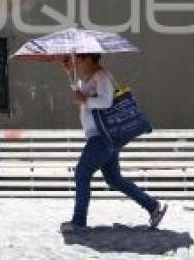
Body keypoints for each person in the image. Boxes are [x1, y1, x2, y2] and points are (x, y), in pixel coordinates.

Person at [59, 53, 168, 233]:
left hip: (101, 137)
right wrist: (70, 73)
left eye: (78, 60)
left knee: (82, 173)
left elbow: (105, 101)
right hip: (105, 137)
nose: (76, 63)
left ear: (88, 59)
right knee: (114, 179)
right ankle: (153, 207)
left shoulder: (102, 76)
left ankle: (78, 222)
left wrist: (85, 100)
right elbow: (81, 92)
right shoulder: (92, 77)